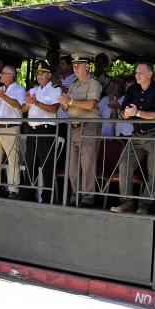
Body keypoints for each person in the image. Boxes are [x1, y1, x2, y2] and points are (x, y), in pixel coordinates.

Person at [111, 62, 155, 214]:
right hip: (136, 135)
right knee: (124, 164)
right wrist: (125, 114)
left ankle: (144, 206)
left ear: (150, 74)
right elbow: (123, 112)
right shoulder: (132, 89)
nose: (137, 75)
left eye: (140, 73)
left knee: (154, 173)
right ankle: (127, 202)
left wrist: (136, 113)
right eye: (136, 72)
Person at [58, 55, 102, 207]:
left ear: (88, 67)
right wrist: (64, 102)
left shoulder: (94, 83)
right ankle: (75, 195)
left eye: (79, 64)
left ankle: (88, 198)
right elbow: (67, 108)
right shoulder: (73, 85)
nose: (75, 67)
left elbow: (90, 105)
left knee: (87, 165)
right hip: (74, 126)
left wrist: (69, 101)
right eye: (74, 64)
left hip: (89, 126)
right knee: (72, 167)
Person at [0, 65, 26, 198]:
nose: (0, 75)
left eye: (3, 73)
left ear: (11, 76)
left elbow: (19, 105)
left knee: (13, 160)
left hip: (11, 127)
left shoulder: (19, 89)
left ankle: (13, 189)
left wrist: (2, 95)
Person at [23, 64, 60, 202]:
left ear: (49, 75)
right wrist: (27, 103)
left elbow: (53, 109)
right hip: (33, 130)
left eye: (42, 73)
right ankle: (28, 194)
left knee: (46, 164)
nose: (39, 75)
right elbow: (24, 109)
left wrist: (36, 102)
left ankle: (46, 197)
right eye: (37, 73)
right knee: (30, 163)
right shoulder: (33, 90)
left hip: (46, 130)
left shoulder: (55, 90)